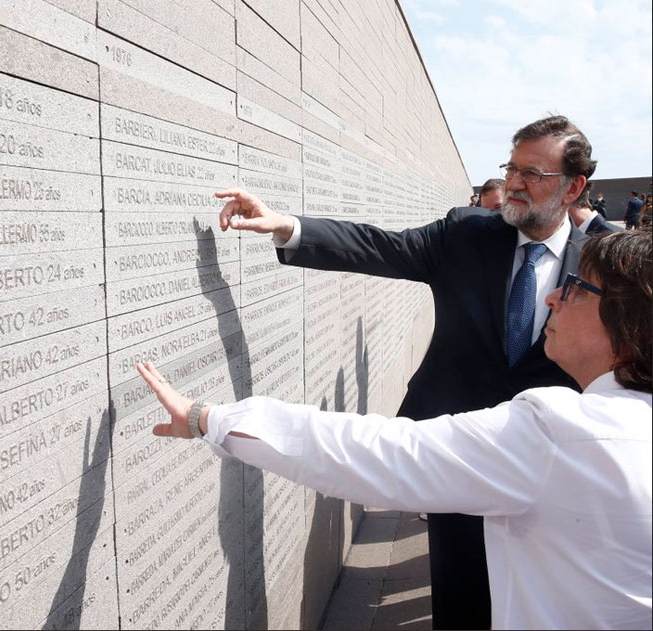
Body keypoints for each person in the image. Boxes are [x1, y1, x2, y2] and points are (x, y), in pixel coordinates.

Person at [136, 229, 652, 631]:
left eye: (578, 289)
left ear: (628, 324)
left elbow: (381, 454)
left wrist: (210, 417)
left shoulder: (564, 433)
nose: (552, 299)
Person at [208, 115, 596, 629]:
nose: (516, 184)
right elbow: (383, 247)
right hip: (452, 449)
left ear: (574, 187)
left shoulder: (602, 261)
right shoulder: (467, 232)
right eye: (512, 168)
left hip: (551, 464)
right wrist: (288, 226)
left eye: (534, 173)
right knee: (459, 590)